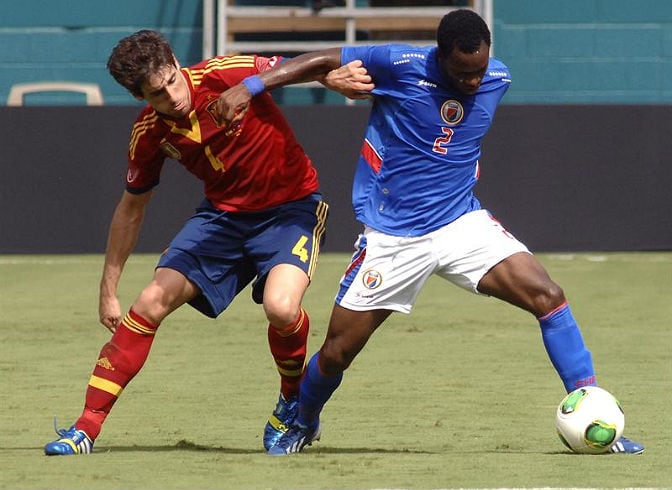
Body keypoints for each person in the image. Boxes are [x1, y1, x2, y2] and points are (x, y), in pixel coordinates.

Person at [215, 9, 644, 455]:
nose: (474, 82)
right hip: (393, 236)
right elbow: (323, 58)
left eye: (479, 70)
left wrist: (476, 80)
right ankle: (301, 419)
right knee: (340, 350)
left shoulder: (498, 77)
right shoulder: (398, 64)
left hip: (461, 223)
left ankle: (593, 409)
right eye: (462, 73)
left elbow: (473, 95)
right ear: (440, 57)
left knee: (548, 296)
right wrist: (250, 87)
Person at [43, 29, 373, 456]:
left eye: (172, 82)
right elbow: (131, 208)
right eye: (157, 95)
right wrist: (108, 289)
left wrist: (330, 79)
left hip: (292, 209)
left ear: (178, 63)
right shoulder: (148, 134)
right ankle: (85, 429)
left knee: (281, 307)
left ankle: (292, 400)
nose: (173, 98)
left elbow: (293, 66)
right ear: (141, 97)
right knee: (148, 303)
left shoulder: (221, 72)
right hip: (222, 219)